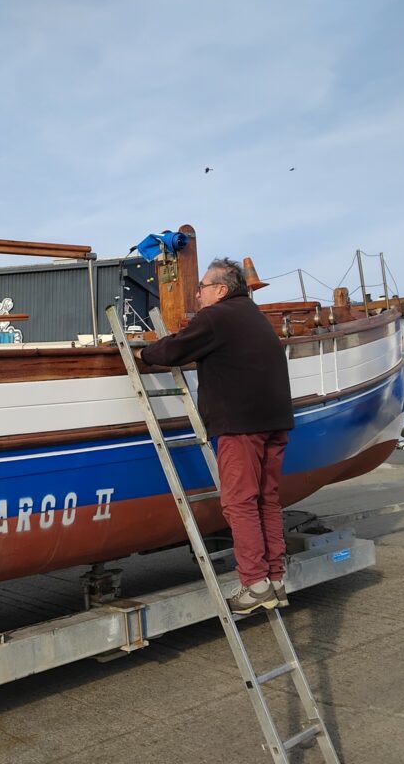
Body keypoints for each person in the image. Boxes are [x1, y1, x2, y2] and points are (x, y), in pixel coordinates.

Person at [138, 257, 294, 614]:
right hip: (275, 422)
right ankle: (275, 579)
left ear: (221, 290)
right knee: (266, 500)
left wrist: (144, 352)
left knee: (240, 502)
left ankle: (255, 585)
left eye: (202, 287)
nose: (198, 294)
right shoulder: (254, 316)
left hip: (240, 425)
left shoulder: (216, 317)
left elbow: (174, 349)